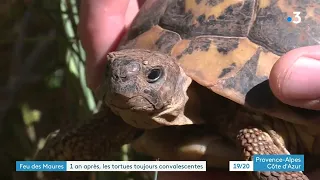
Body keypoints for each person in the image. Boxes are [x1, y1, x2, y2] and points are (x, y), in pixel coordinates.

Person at [78, 0, 320, 179]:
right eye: (113, 73)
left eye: (152, 76)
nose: (124, 85)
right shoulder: (130, 115)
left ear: (176, 79)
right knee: (76, 143)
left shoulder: (251, 130)